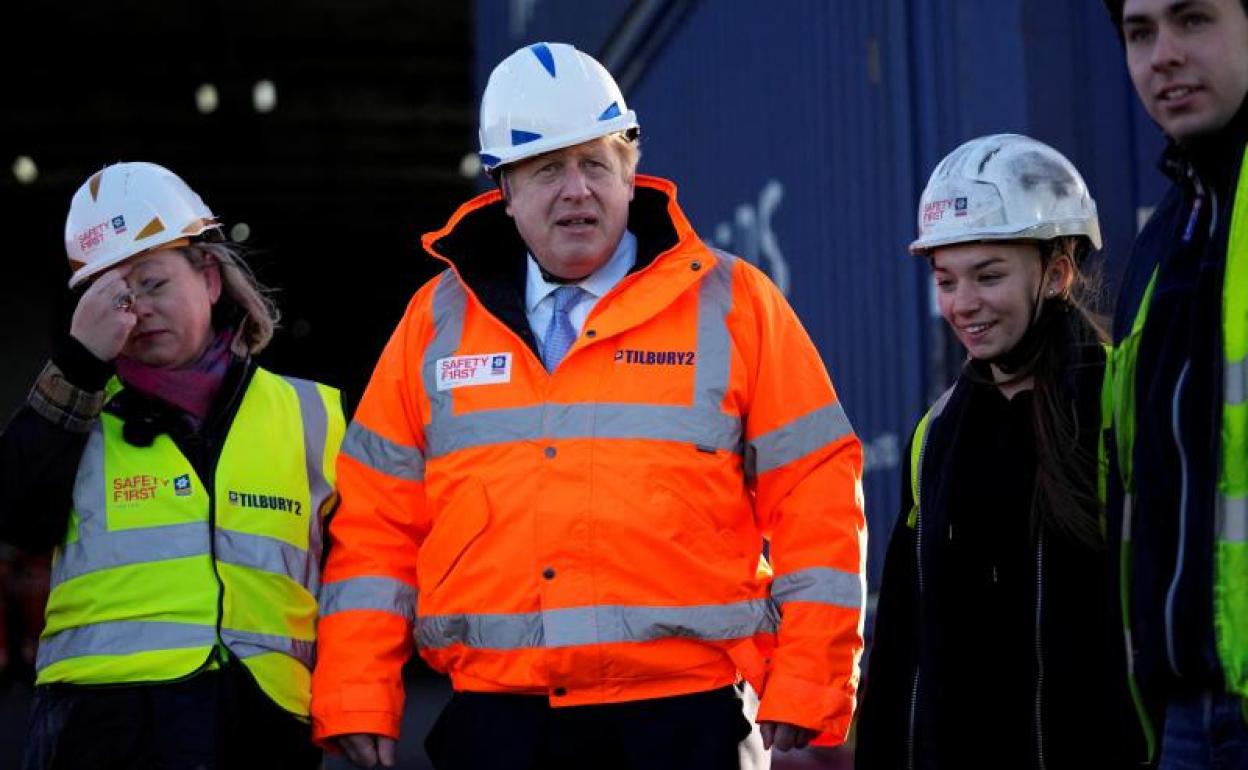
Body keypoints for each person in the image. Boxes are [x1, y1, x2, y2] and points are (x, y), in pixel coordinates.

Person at [311, 41, 867, 770]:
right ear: (502, 190)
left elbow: (816, 493)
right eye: (547, 169)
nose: (576, 189)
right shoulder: (434, 323)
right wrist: (356, 686)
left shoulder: (734, 306)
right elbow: (377, 522)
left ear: (631, 170)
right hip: (499, 724)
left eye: (595, 163)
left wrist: (810, 678)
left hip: (686, 722)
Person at [0, 161, 346, 769]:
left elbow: (364, 577)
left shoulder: (313, 414)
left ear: (210, 278)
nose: (138, 311)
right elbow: (17, 519)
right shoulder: (72, 413)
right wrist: (78, 361)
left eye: (153, 283)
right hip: (98, 729)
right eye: (115, 295)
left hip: (261, 727)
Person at [854, 134, 1145, 768]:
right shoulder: (935, 438)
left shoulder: (1121, 405)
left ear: (1057, 273)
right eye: (946, 280)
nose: (963, 304)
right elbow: (904, 648)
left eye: (989, 275)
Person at [1099, 0, 1248, 766]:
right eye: (1140, 32)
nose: (1162, 54)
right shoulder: (1163, 245)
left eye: (1194, 20)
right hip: (1183, 718)